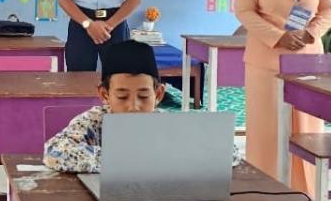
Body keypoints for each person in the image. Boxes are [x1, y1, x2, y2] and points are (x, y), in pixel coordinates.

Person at [235, 0, 331, 195]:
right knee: (267, 126)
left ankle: (305, 191)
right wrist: (278, 37)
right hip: (266, 61)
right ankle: (265, 190)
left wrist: (312, 32)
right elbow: (243, 10)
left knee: (306, 128)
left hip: (306, 61)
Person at [44, 40, 242, 172]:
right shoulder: (94, 122)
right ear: (105, 94)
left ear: (158, 94)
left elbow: (230, 152)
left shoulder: (169, 124)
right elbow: (54, 152)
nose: (133, 106)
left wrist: (173, 159)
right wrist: (132, 160)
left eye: (144, 96)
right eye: (122, 96)